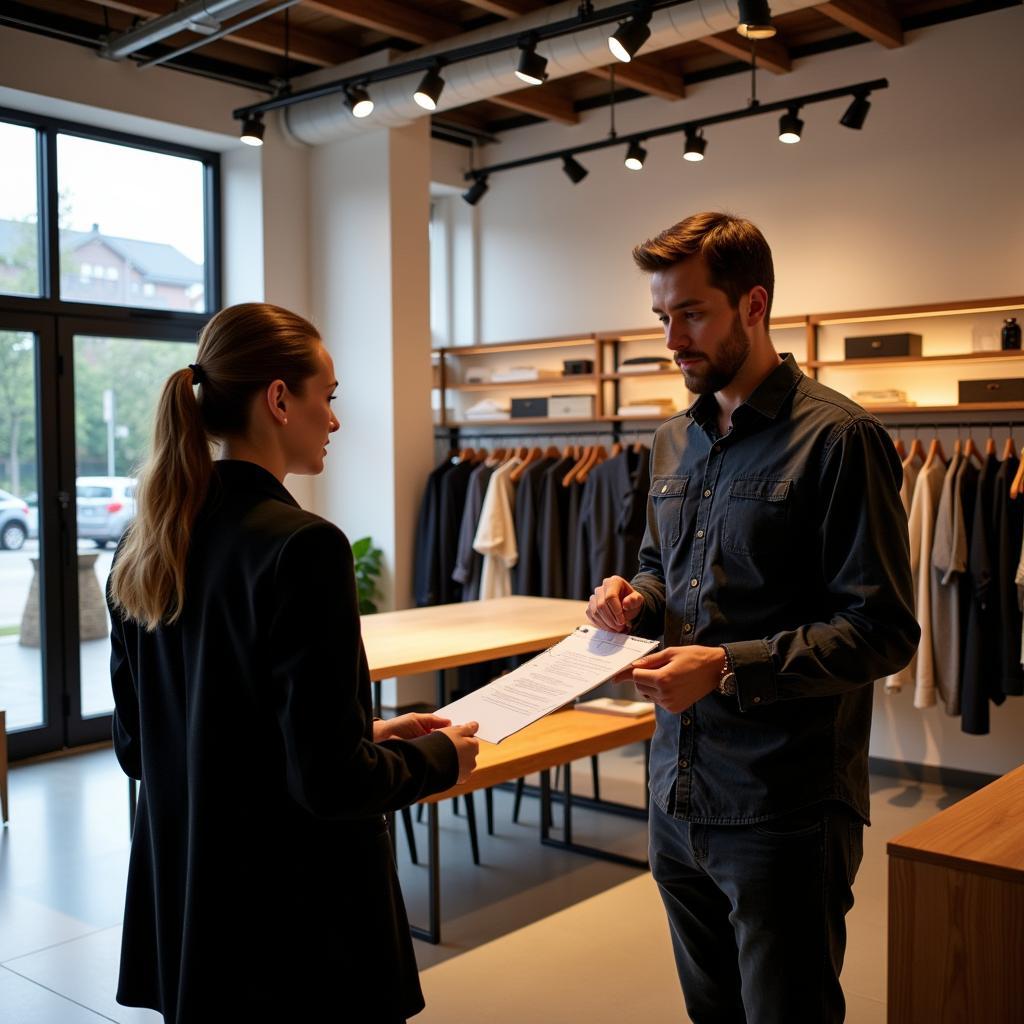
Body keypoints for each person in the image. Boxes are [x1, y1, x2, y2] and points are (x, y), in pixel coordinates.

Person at [586, 213, 918, 1023]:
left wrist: (729, 665)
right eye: (662, 316)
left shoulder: (839, 439)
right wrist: (632, 595)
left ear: (754, 305)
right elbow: (667, 567)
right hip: (677, 794)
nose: (672, 339)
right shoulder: (672, 442)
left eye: (691, 313)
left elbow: (881, 628)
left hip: (784, 808)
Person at [107, 302, 479, 1023]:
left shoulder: (145, 543)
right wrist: (439, 759)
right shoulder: (303, 547)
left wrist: (360, 735)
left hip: (192, 906)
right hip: (293, 923)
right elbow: (330, 785)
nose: (335, 421)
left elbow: (144, 747)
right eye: (328, 397)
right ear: (280, 399)